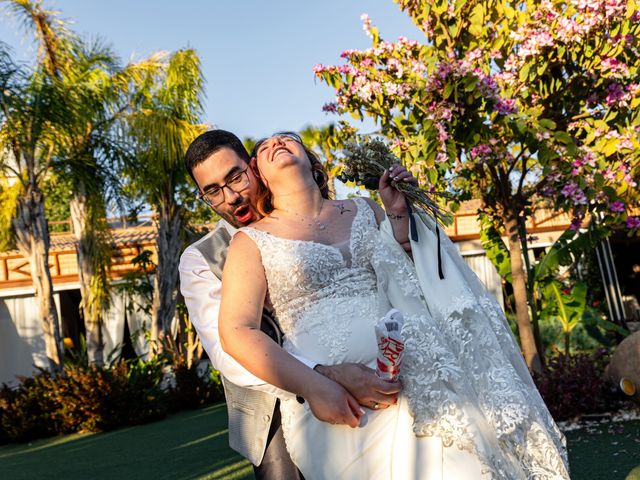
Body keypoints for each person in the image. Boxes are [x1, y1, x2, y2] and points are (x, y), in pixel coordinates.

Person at [218, 132, 571, 479]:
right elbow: (237, 331)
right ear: (259, 176)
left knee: (464, 464)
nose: (276, 143)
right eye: (264, 148)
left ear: (311, 159)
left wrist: (398, 211)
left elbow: (405, 267)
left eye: (285, 138)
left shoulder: (364, 207)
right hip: (341, 396)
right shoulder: (251, 241)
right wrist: (314, 386)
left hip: (417, 364)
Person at [179, 130, 403, 480]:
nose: (231, 196)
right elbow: (228, 355)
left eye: (236, 177)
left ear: (253, 168)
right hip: (272, 412)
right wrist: (321, 377)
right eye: (213, 191)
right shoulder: (199, 260)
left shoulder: (331, 216)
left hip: (375, 376)